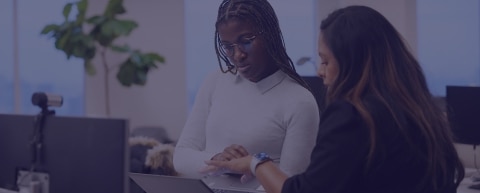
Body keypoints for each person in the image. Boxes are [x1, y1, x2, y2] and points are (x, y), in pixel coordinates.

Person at [206, 5, 465, 193]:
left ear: (354, 62)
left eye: (326, 60)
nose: (320, 70)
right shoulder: (420, 113)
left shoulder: (353, 115)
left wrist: (255, 163)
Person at [173, 0, 320, 178]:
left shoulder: (299, 101)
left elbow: (291, 186)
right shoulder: (215, 81)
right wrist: (218, 160)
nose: (238, 55)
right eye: (227, 46)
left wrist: (251, 166)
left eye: (246, 41)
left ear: (270, 35)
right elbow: (180, 156)